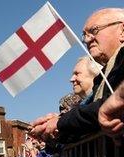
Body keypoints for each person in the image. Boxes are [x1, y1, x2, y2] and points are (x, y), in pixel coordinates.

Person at [31, 8, 124, 142]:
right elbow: (90, 119)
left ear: (122, 31)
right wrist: (53, 130)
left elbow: (109, 106)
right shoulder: (102, 77)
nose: (87, 39)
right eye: (84, 35)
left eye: (94, 31)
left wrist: (60, 122)